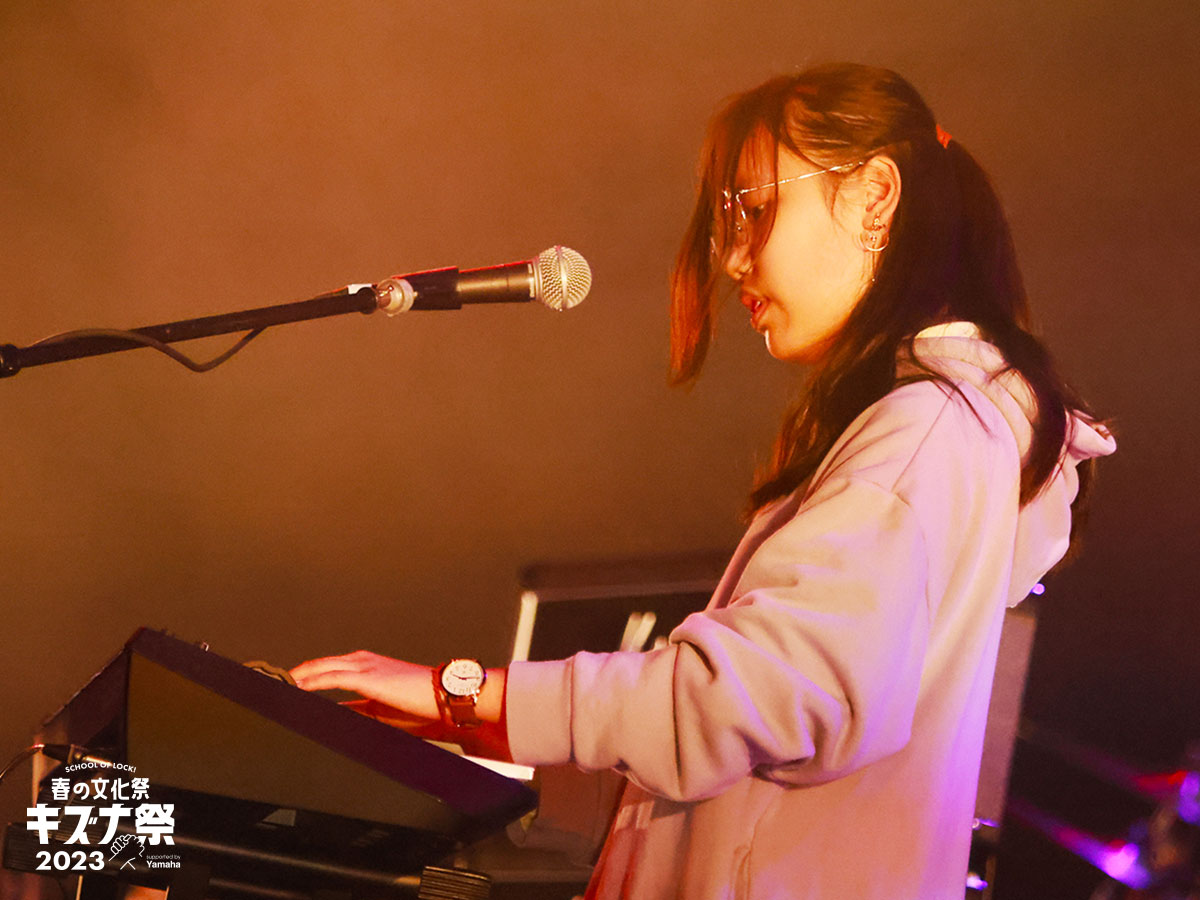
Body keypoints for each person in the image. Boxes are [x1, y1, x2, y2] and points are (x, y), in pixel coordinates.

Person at [291, 63, 1116, 899]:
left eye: (752, 210)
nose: (730, 258)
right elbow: (750, 757)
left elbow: (751, 702)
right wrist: (471, 732)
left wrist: (466, 696)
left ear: (874, 196)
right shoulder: (942, 430)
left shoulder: (922, 435)